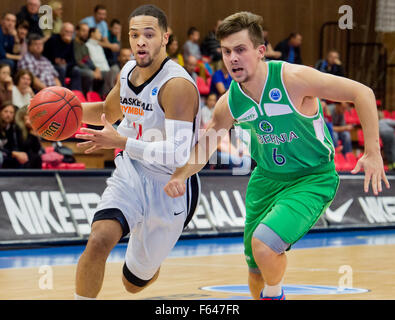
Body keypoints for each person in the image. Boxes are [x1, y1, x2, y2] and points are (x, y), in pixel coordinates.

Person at [164, 11, 390, 301]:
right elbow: (208, 144)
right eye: (227, 51)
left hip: (312, 178)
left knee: (264, 245)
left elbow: (363, 93)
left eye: (241, 50)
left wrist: (373, 151)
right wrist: (181, 174)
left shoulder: (294, 79)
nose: (233, 58)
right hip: (265, 180)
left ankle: (275, 294)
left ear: (260, 51)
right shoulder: (229, 102)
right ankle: (269, 292)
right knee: (255, 267)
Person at [74, 4, 200, 299]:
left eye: (148, 34)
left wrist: (119, 142)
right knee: (98, 240)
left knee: (133, 284)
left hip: (170, 186)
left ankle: (149, 262)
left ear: (165, 38)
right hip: (131, 171)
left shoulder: (176, 85)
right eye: (134, 35)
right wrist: (64, 113)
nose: (140, 41)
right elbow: (107, 111)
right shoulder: (128, 70)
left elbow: (178, 154)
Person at [43, 22, 83, 91]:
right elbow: (50, 57)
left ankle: (76, 92)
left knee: (76, 70)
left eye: (71, 32)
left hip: (65, 66)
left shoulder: (70, 42)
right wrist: (59, 61)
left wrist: (66, 63)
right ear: (61, 31)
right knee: (62, 68)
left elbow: (73, 61)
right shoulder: (53, 39)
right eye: (66, 31)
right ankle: (64, 92)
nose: (69, 34)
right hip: (51, 66)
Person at [85, 27, 115, 96]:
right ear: (92, 34)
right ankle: (108, 96)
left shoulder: (99, 46)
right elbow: (92, 61)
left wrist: (109, 71)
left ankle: (109, 95)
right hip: (97, 70)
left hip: (105, 70)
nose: (100, 35)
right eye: (98, 32)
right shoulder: (87, 46)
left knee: (114, 72)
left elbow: (104, 61)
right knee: (112, 73)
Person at [0, 101, 28, 168]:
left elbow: (15, 146)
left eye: (11, 112)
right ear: (0, 112)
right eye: (6, 111)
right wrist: (13, 153)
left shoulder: (13, 128)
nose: (8, 114)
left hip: (7, 154)